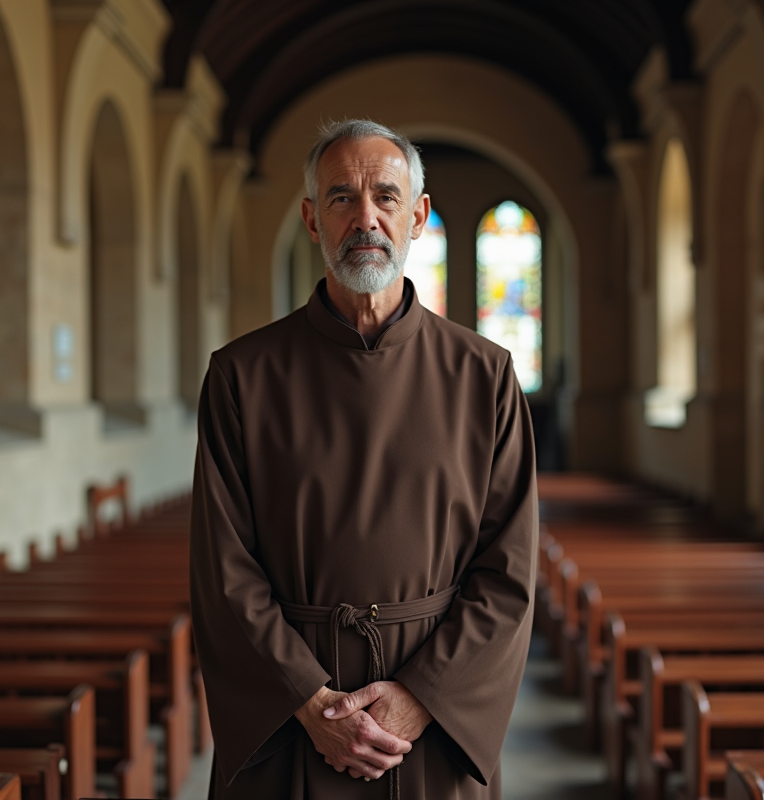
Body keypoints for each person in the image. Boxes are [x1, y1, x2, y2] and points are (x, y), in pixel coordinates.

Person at [190, 118, 537, 799]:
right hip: (292, 721)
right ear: (312, 219)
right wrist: (314, 706)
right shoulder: (242, 375)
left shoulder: (485, 375)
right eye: (342, 198)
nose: (366, 217)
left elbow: (510, 572)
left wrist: (419, 698)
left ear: (418, 214)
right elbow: (224, 571)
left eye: (385, 195)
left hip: (432, 720)